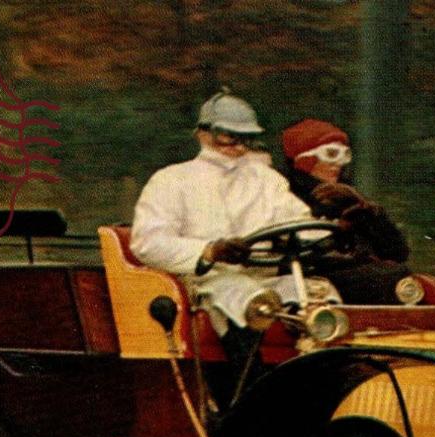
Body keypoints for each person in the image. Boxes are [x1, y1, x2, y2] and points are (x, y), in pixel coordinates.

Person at [131, 91, 340, 393]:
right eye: (228, 137)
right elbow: (148, 243)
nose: (238, 146)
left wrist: (322, 237)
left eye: (246, 138)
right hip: (207, 282)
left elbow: (299, 222)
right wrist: (209, 251)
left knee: (320, 296)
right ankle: (247, 398)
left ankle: (323, 391)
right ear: (203, 134)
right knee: (245, 299)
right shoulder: (171, 180)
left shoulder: (266, 180)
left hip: (264, 277)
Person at [280, 118, 412, 304]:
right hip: (307, 277)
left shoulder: (346, 196)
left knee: (408, 282)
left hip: (350, 274)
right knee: (387, 279)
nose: (338, 164)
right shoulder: (283, 194)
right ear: (305, 159)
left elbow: (397, 252)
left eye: (345, 155)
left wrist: (365, 209)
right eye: (331, 154)